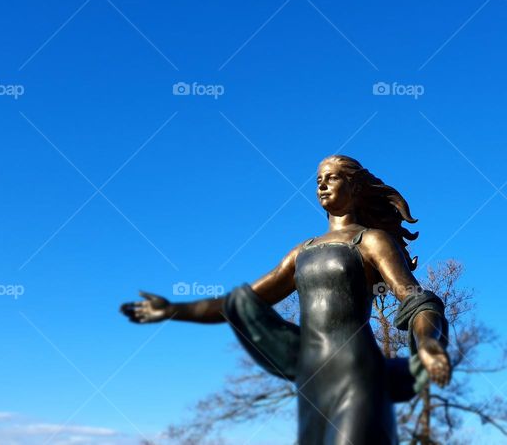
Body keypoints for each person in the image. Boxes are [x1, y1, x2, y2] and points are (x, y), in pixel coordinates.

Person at [121, 155, 451, 444]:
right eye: (318, 179)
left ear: (356, 187)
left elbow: (417, 300)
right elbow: (238, 302)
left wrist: (429, 344)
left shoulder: (371, 241)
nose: (322, 185)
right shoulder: (300, 253)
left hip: (357, 373)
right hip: (311, 378)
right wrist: (173, 310)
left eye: (332, 177)